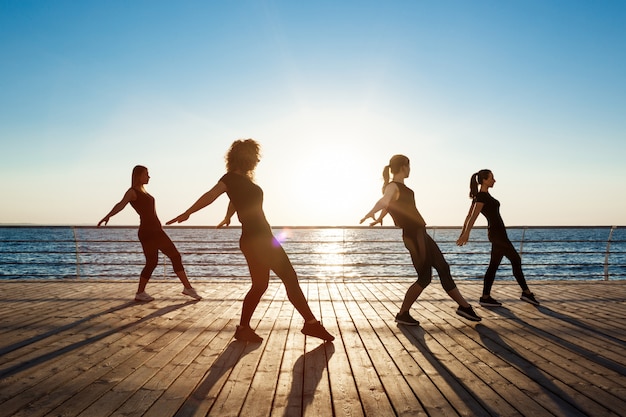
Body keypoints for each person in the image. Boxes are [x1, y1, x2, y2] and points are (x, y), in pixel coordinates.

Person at [167, 139, 334, 343]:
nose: (257, 159)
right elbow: (211, 195)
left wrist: (228, 216)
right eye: (254, 155)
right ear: (244, 156)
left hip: (255, 239)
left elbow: (234, 200)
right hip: (259, 239)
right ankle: (311, 324)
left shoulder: (243, 181)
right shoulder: (228, 178)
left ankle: (244, 328)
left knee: (260, 285)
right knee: (289, 278)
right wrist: (188, 212)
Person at [360, 154, 481, 325]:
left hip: (420, 233)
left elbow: (391, 205)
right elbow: (385, 200)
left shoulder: (400, 187)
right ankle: (403, 314)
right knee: (425, 277)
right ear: (403, 166)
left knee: (443, 268)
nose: (410, 170)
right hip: (414, 235)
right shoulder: (393, 186)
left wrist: (380, 217)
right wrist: (371, 211)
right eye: (409, 166)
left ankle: (464, 307)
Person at [98, 165, 202, 302]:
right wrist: (108, 216)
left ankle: (140, 293)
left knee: (152, 262)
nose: (149, 177)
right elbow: (120, 204)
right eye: (146, 174)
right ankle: (187, 288)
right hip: (150, 232)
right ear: (138, 175)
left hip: (152, 231)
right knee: (175, 256)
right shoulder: (132, 191)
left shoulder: (143, 191)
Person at [457, 169, 539, 306]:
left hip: (499, 234)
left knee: (493, 266)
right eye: (491, 178)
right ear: (484, 180)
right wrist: (466, 233)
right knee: (515, 259)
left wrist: (464, 231)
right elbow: (472, 216)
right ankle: (526, 293)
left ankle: (485, 297)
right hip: (497, 235)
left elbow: (468, 216)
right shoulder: (481, 197)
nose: (494, 180)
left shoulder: (482, 196)